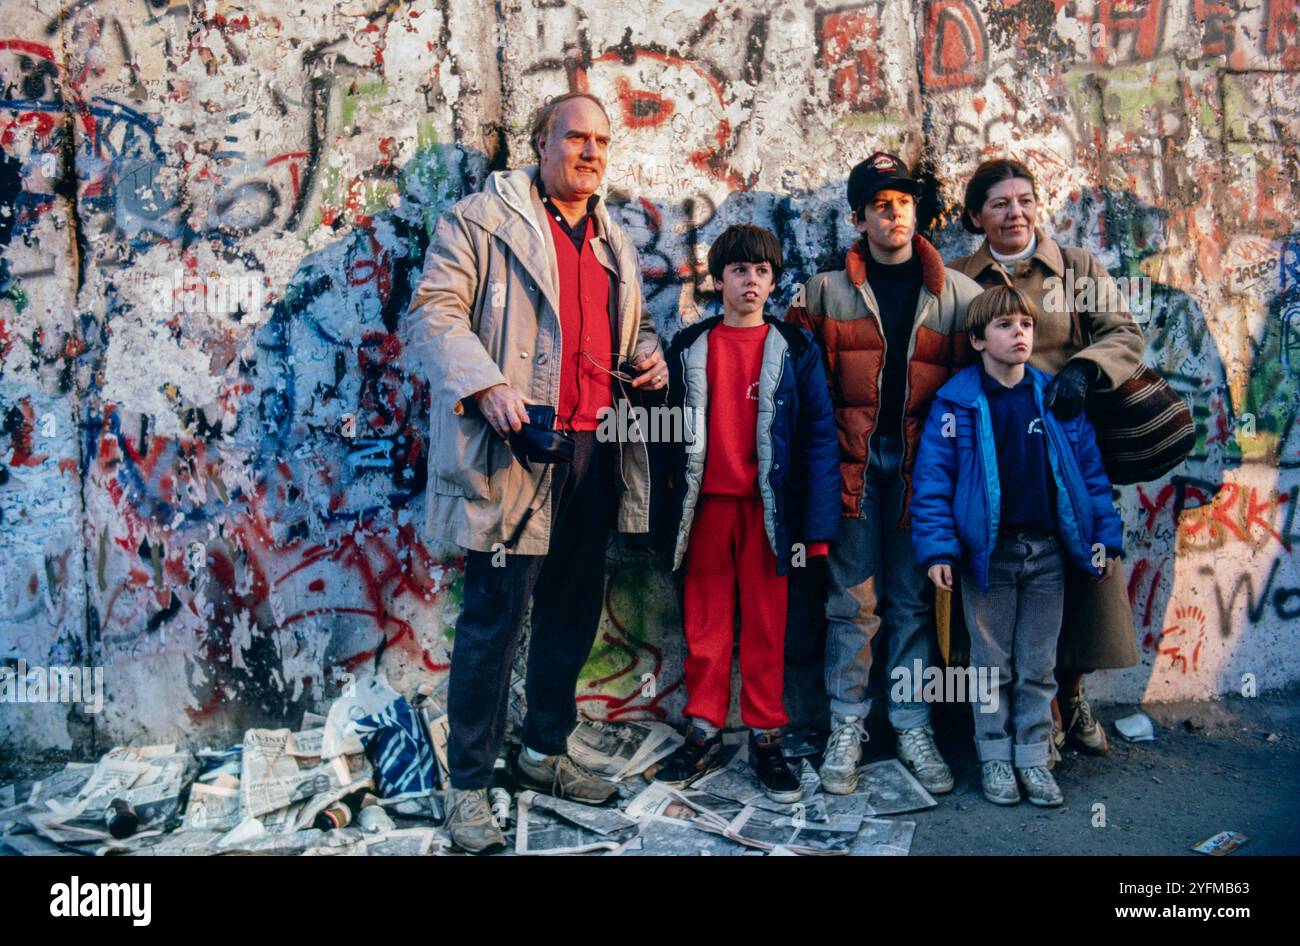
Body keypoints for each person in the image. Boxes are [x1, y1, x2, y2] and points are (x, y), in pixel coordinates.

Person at [402, 92, 667, 854]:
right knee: (494, 619)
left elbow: (633, 326)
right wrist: (485, 385)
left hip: (593, 448)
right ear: (540, 143)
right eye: (574, 138)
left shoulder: (613, 239)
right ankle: (471, 786)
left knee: (571, 611)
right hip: (514, 446)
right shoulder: (479, 221)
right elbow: (436, 312)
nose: (590, 153)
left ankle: (543, 751)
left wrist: (645, 355)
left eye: (601, 143)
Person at [787, 153, 983, 795]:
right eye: (880, 203)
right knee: (852, 605)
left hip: (924, 478)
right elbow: (792, 388)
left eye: (902, 201)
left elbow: (985, 389)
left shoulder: (958, 295)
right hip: (854, 471)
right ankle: (847, 727)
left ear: (917, 212)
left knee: (913, 604)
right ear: (859, 217)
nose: (893, 212)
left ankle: (913, 727)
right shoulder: (823, 293)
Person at [949, 158, 1144, 757]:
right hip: (997, 452)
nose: (1015, 213)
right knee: (1009, 590)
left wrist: (1084, 370)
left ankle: (1073, 692)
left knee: (1083, 580)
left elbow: (1124, 334)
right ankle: (1034, 716)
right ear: (976, 215)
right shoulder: (958, 279)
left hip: (1068, 446)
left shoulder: (1077, 269)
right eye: (1000, 203)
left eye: (1025, 200)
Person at [910, 286, 1124, 806]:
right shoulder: (956, 403)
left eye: (1025, 325)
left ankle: (1033, 758)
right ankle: (995, 759)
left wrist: (1104, 540)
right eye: (1005, 326)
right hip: (990, 560)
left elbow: (1091, 477)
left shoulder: (1054, 399)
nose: (1019, 334)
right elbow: (933, 481)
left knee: (1037, 666)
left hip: (1048, 555)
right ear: (979, 340)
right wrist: (938, 551)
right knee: (990, 667)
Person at [652, 225, 840, 801]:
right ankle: (704, 729)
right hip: (705, 510)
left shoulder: (796, 350)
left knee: (765, 629)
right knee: (705, 628)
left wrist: (817, 530)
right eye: (738, 270)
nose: (750, 280)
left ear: (775, 281)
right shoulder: (690, 347)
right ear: (718, 280)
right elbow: (662, 439)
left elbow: (818, 440)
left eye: (761, 271)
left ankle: (765, 736)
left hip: (770, 516)